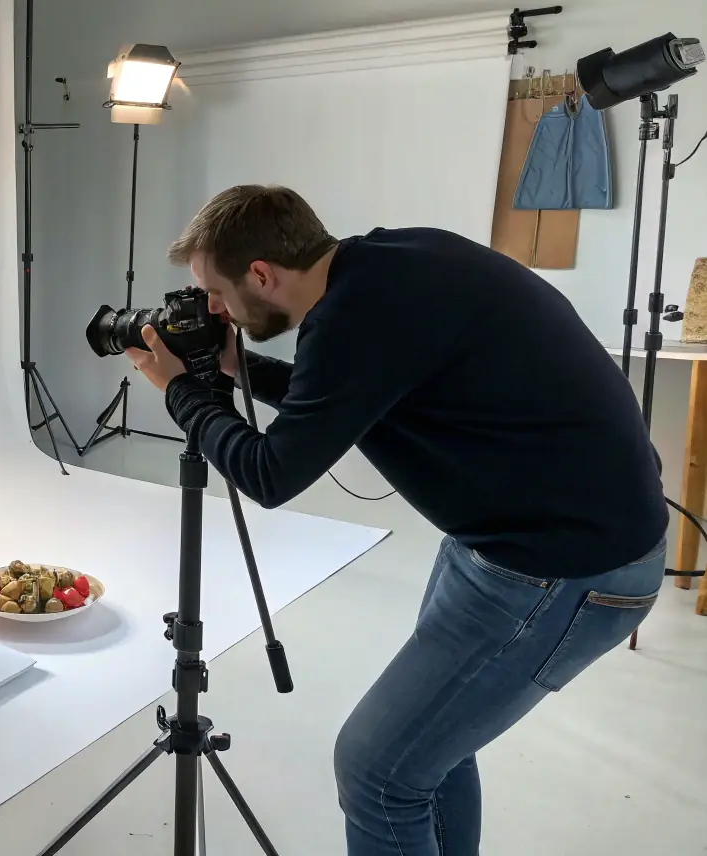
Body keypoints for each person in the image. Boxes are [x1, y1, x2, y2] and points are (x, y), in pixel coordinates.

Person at [126, 184, 668, 856]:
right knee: (428, 755)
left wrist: (179, 391)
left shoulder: (351, 321)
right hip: (522, 539)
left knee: (378, 772)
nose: (212, 309)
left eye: (215, 292)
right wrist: (239, 368)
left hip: (564, 569)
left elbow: (269, 474)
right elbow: (344, 390)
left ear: (261, 274)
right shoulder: (390, 264)